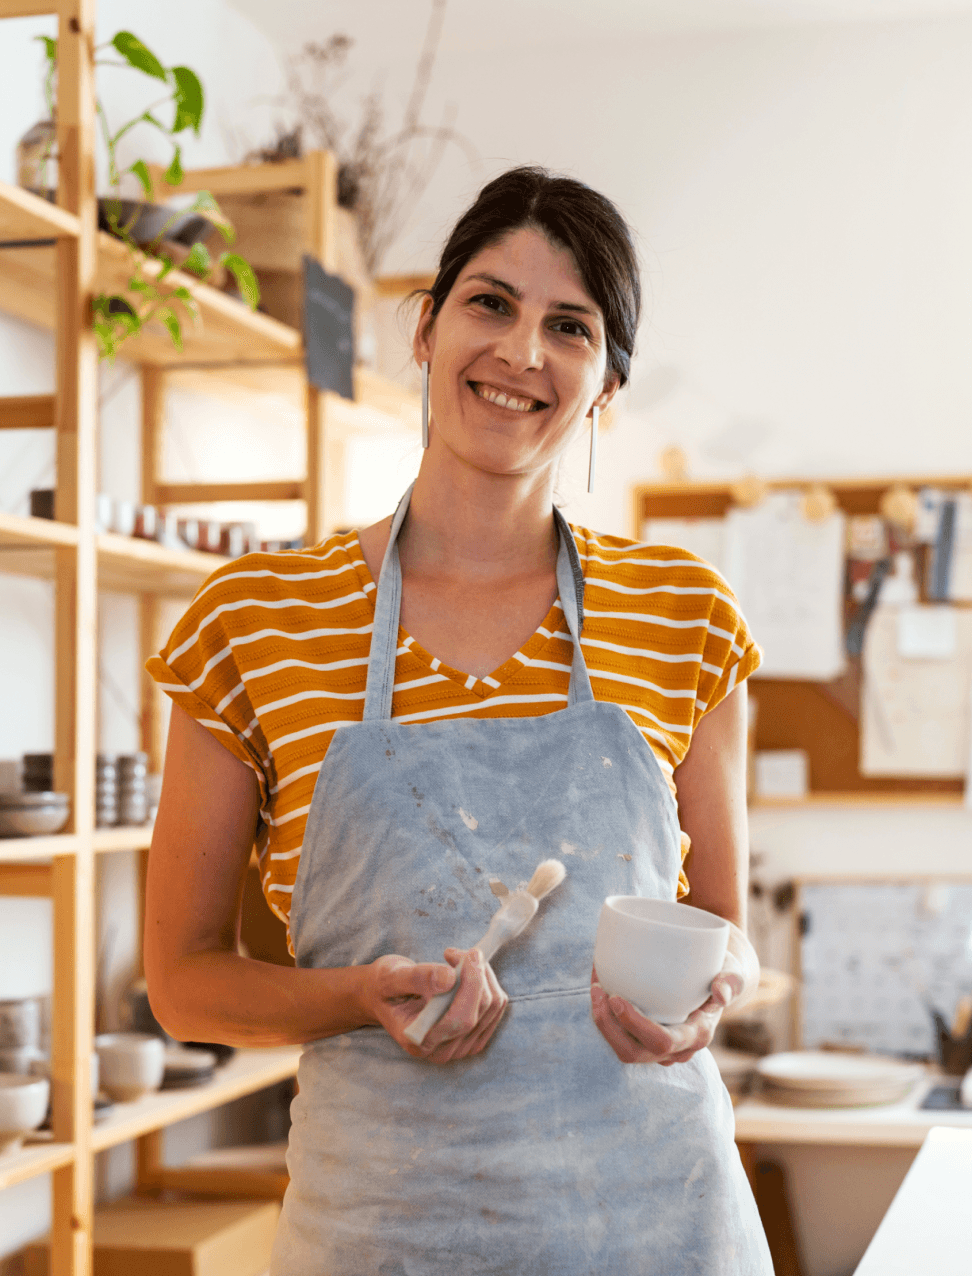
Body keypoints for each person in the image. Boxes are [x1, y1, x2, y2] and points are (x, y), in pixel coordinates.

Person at [145, 166, 773, 1274]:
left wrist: (717, 993)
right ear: (427, 329)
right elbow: (184, 977)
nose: (523, 354)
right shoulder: (253, 622)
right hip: (385, 1233)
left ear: (606, 384)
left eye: (568, 326)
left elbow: (726, 924)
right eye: (491, 303)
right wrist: (354, 997)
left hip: (655, 1227)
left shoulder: (684, 616)